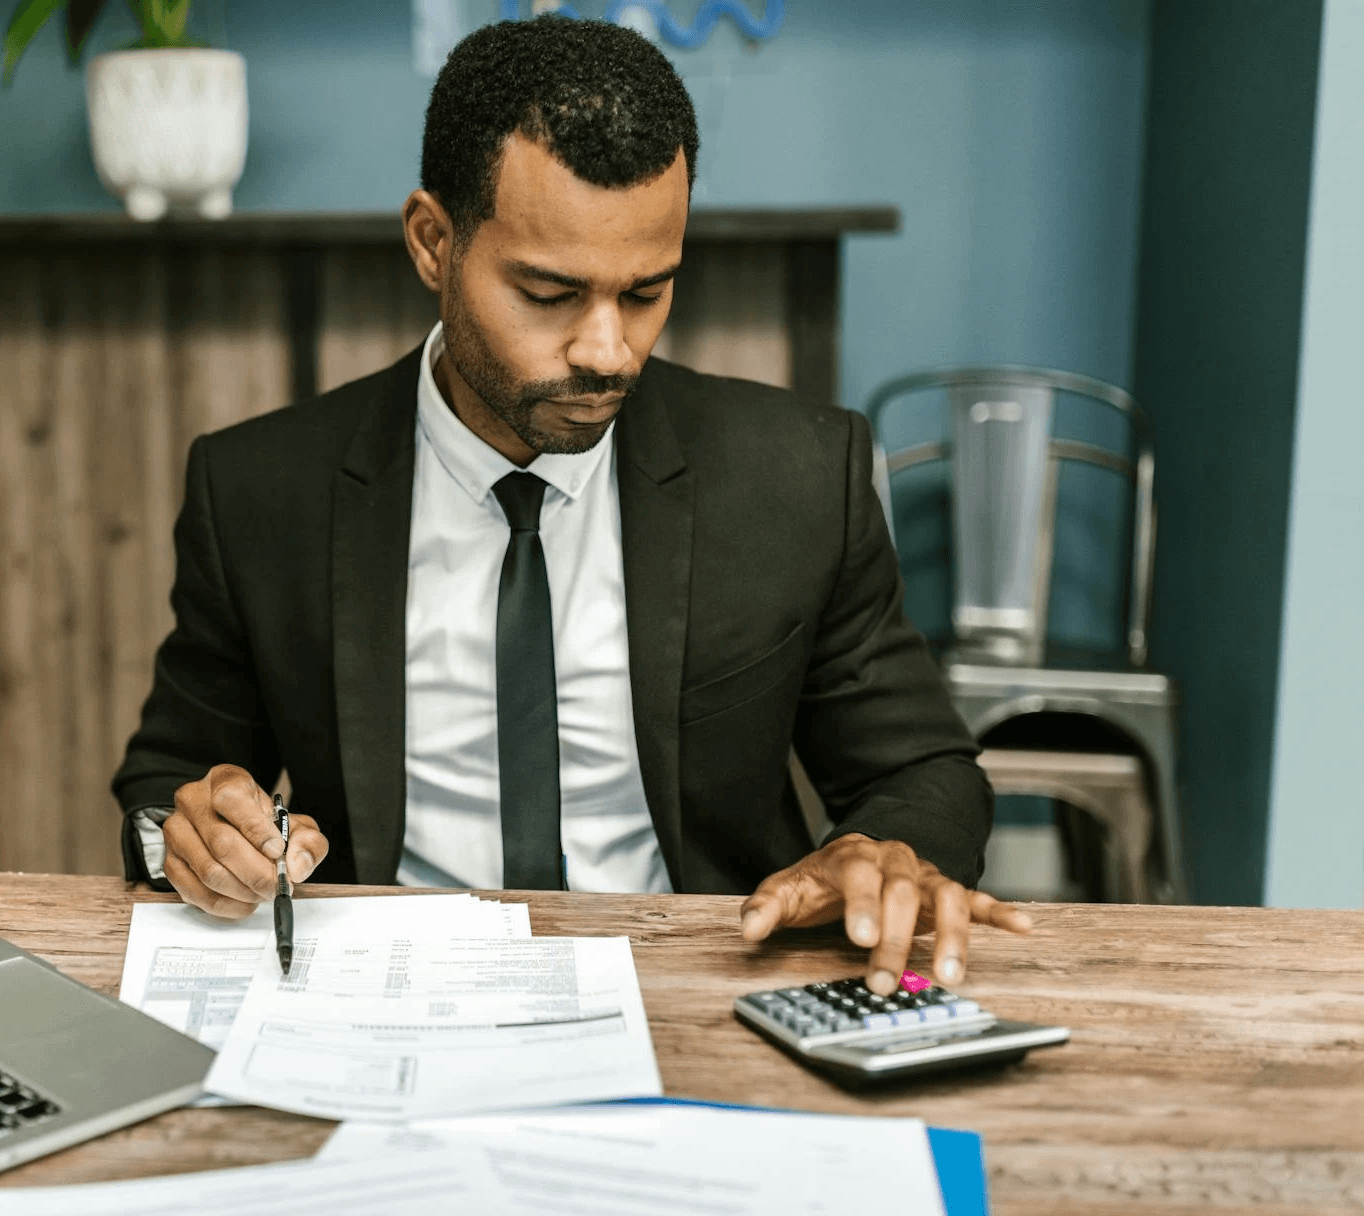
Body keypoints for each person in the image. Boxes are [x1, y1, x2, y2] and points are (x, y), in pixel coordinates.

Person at [114, 15, 1030, 997]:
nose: (607, 350)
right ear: (433, 242)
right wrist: (189, 834)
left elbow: (926, 771)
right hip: (380, 994)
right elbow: (168, 782)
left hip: (705, 988)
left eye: (646, 292)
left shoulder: (800, 475)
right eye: (550, 293)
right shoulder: (261, 489)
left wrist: (886, 848)